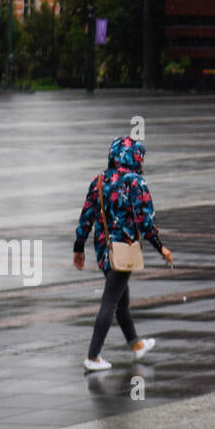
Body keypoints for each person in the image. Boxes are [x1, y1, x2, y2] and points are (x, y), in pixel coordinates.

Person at [73, 136, 173, 371]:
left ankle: (136, 344)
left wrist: (79, 247)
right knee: (110, 302)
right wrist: (161, 247)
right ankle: (93, 356)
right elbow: (145, 221)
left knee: (120, 301)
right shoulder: (135, 182)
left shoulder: (99, 181)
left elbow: (85, 218)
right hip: (124, 249)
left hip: (103, 249)